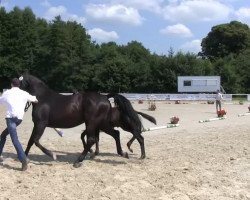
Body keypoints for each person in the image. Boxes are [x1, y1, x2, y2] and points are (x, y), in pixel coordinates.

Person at [0, 78, 38, 171]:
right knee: (3, 135)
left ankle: (23, 159)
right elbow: (35, 100)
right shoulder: (24, 93)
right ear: (19, 85)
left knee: (14, 139)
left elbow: (1, 101)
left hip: (11, 119)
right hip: (19, 120)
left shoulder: (7, 93)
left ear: (11, 84)